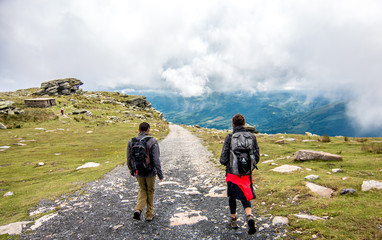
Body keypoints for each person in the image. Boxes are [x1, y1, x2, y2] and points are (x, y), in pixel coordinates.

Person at [220, 113, 260, 234]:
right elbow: (256, 156)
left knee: (232, 196)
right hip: (246, 174)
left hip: (232, 174)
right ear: (244, 123)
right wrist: (248, 167)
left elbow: (223, 159)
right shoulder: (252, 137)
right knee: (245, 194)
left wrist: (229, 164)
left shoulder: (230, 137)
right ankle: (249, 216)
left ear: (233, 124)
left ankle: (233, 220)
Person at [127, 122, 163, 221]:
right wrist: (160, 174)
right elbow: (156, 159)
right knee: (150, 191)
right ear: (148, 130)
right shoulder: (152, 141)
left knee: (142, 189)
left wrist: (132, 171)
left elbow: (128, 158)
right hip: (150, 172)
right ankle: (149, 214)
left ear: (138, 130)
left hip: (138, 171)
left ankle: (138, 209)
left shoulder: (131, 141)